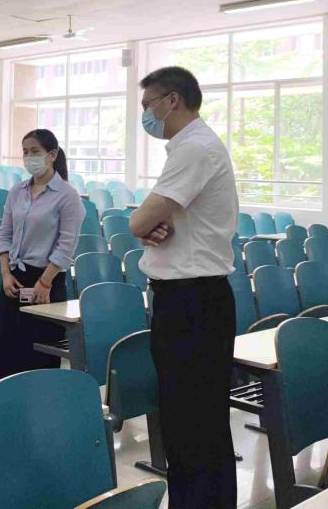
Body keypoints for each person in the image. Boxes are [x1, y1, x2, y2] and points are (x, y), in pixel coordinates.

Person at [128, 66, 238, 509]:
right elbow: (155, 224)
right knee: (199, 423)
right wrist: (149, 227)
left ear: (171, 100)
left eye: (147, 104)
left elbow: (139, 220)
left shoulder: (194, 148)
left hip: (190, 303)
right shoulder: (197, 146)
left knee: (190, 424)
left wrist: (143, 225)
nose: (144, 114)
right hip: (198, 298)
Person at [0, 129, 85, 379]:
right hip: (14, 279)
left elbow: (66, 245)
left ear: (52, 155)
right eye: (25, 152)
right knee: (7, 351)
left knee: (38, 355)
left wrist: (44, 282)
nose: (29, 157)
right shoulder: (17, 191)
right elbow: (4, 235)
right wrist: (5, 273)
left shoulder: (67, 195)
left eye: (35, 151)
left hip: (46, 280)